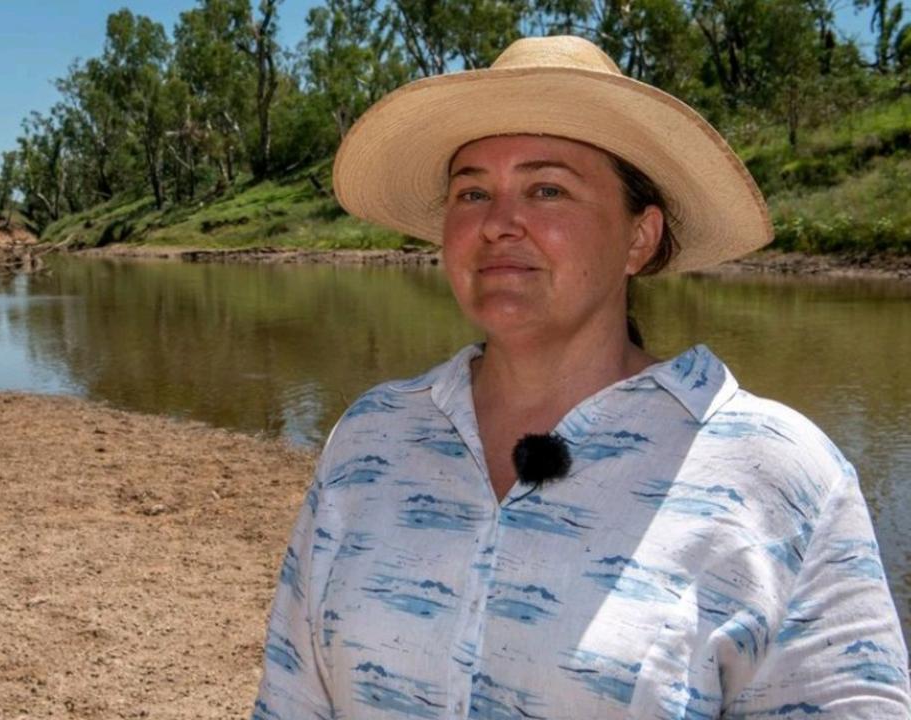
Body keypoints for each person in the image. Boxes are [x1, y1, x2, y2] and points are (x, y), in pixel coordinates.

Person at [251, 35, 910, 719]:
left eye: (547, 188)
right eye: (472, 191)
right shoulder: (370, 442)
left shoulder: (778, 477)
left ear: (639, 238)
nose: (499, 224)